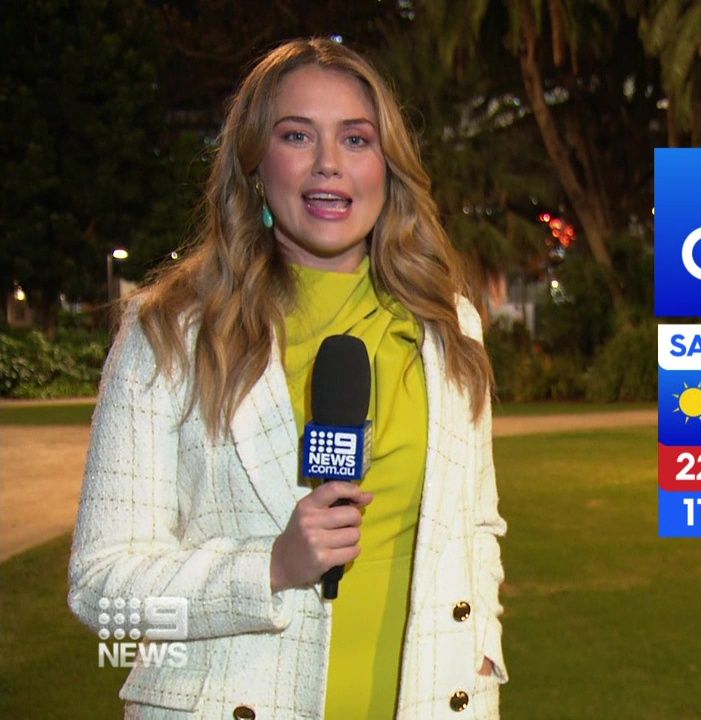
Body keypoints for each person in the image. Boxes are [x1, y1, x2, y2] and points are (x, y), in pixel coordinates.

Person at [67, 38, 507, 719]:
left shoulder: (450, 327)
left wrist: (482, 651)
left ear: (388, 166)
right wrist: (269, 567)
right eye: (297, 135)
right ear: (254, 166)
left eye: (356, 139)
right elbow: (100, 590)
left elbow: (476, 526)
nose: (329, 163)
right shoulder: (169, 334)